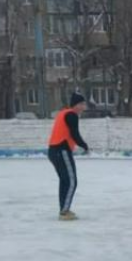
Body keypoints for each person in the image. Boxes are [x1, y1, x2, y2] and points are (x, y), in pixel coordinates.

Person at [48, 93, 89, 221]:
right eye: (81, 104)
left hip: (54, 151)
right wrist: (85, 146)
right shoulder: (72, 115)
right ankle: (64, 212)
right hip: (62, 150)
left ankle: (64, 209)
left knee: (65, 181)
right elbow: (75, 134)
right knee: (71, 181)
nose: (84, 107)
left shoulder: (63, 113)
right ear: (75, 105)